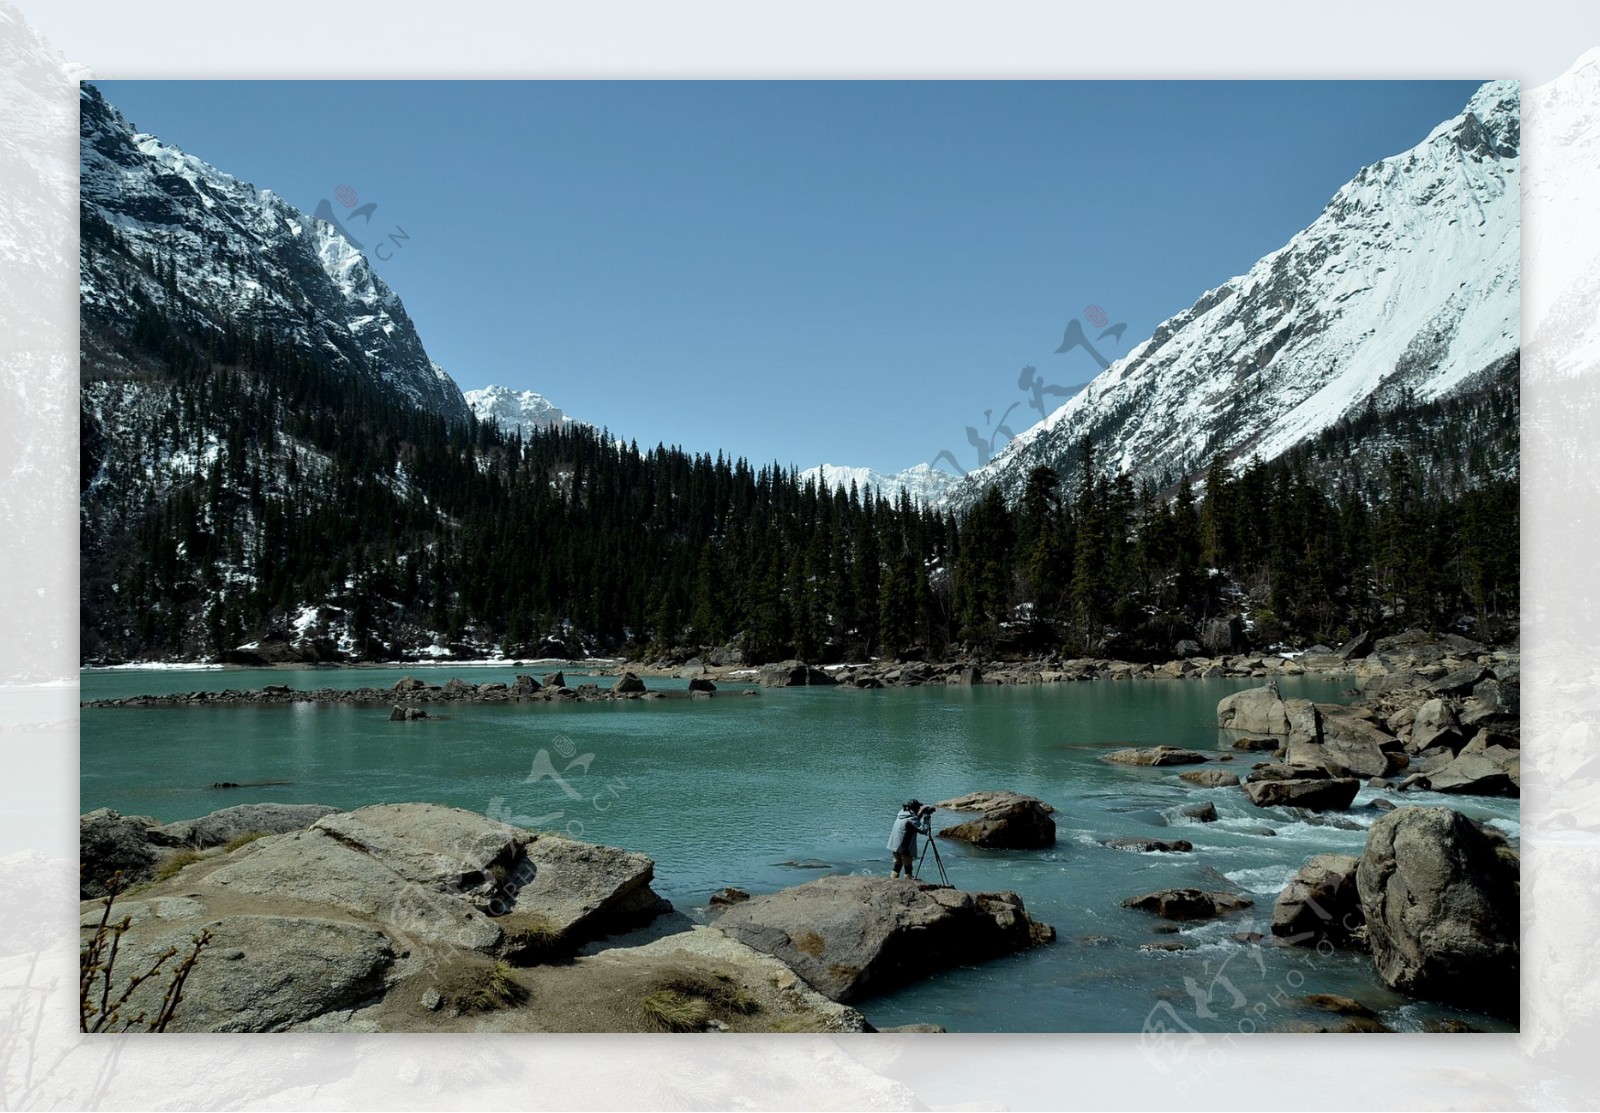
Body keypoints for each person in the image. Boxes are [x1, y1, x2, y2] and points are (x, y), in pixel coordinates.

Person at [887, 799, 935, 879]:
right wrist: (926, 818)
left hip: (893, 845)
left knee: (897, 865)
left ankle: (893, 880)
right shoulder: (911, 819)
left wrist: (920, 814)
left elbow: (913, 821)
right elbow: (924, 830)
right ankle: (908, 881)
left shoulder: (902, 813)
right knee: (908, 867)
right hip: (904, 846)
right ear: (916, 809)